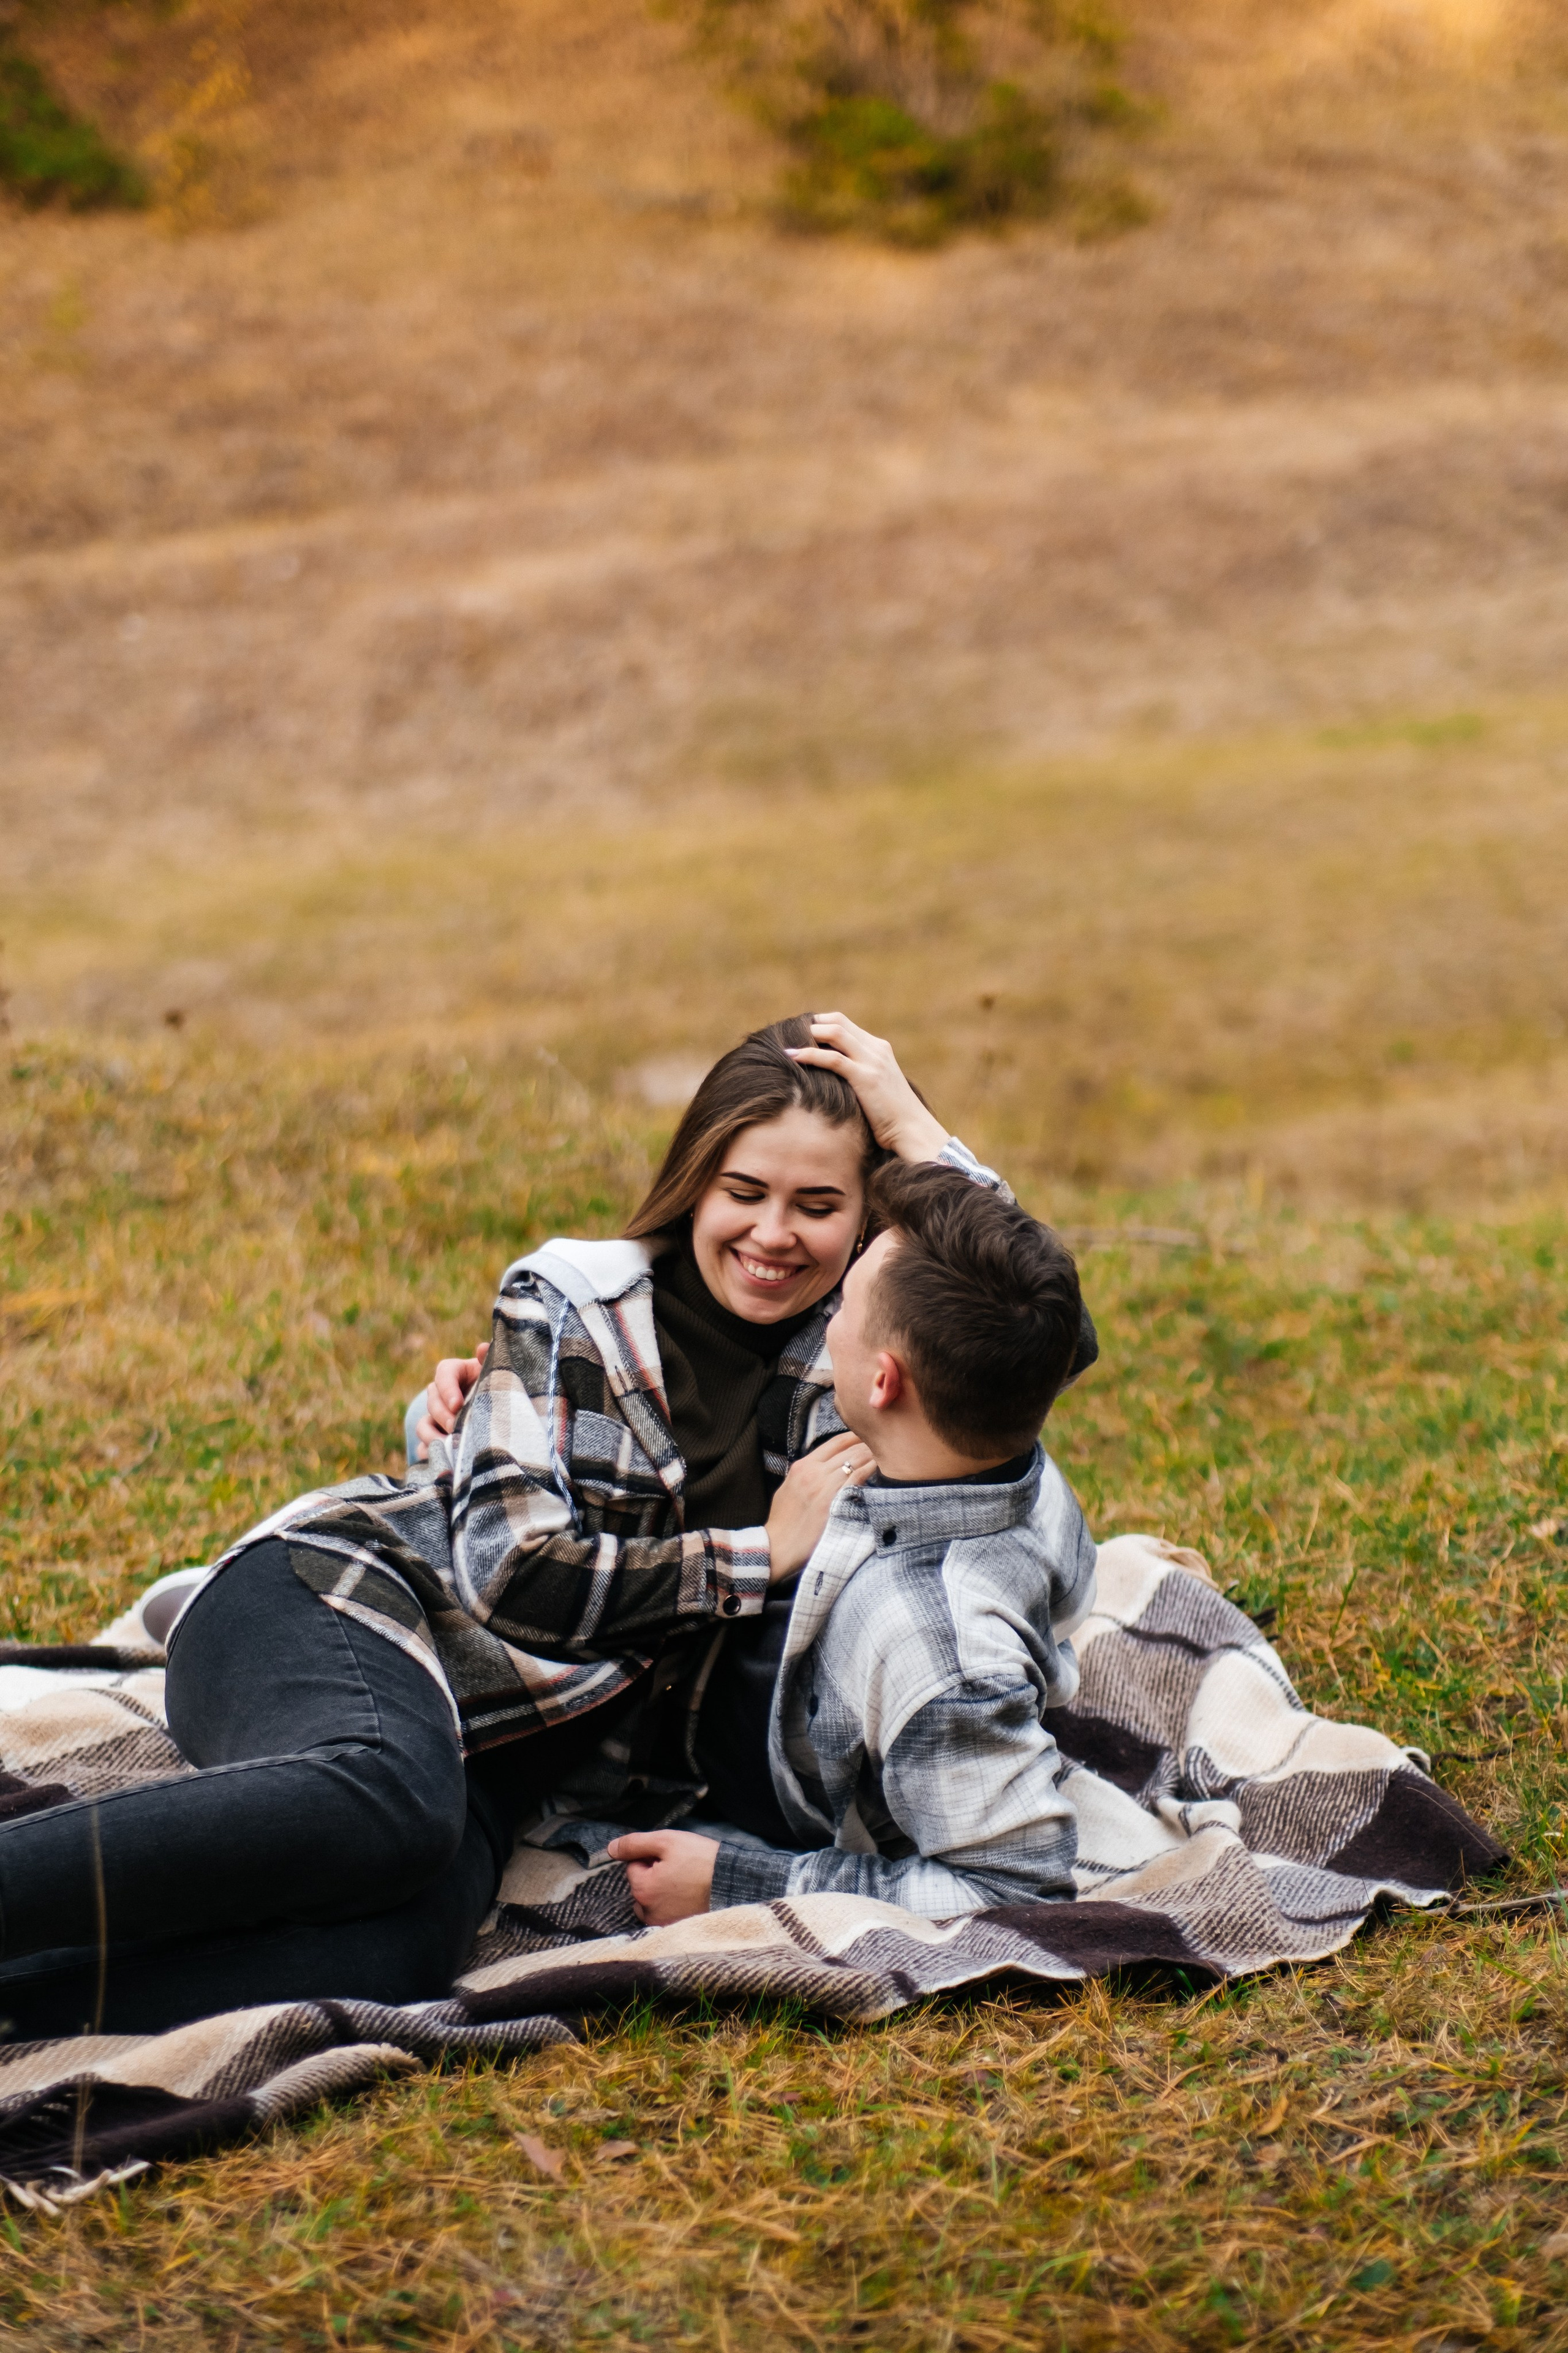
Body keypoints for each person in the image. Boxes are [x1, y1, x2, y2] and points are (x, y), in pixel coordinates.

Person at [0, 1013, 1094, 2040]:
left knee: (405, 1948)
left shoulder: (850, 1358)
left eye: (817, 1206)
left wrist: (913, 1126)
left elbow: (1019, 1325)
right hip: (342, 1602)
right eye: (743, 1191)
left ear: (867, 1223)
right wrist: (758, 1553)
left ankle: (20, 2006)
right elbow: (512, 1570)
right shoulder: (571, 1303)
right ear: (692, 1181)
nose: (773, 1233)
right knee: (385, 1802)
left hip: (501, 1746)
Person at [608, 1160, 1090, 1924]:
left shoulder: (941, 1655)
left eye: (846, 1306)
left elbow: (1018, 1890)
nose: (827, 1319)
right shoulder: (988, 1441)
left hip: (732, 1765)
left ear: (882, 1382)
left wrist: (738, 1881)